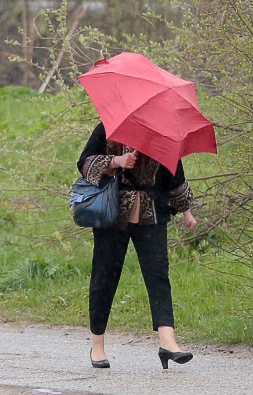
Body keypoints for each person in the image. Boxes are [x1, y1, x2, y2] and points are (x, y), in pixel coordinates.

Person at [77, 122, 198, 369]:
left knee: (158, 275)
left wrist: (186, 210)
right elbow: (85, 163)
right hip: (112, 214)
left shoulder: (163, 133)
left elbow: (175, 174)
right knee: (104, 277)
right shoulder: (109, 127)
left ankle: (168, 342)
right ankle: (97, 346)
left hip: (152, 214)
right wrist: (115, 162)